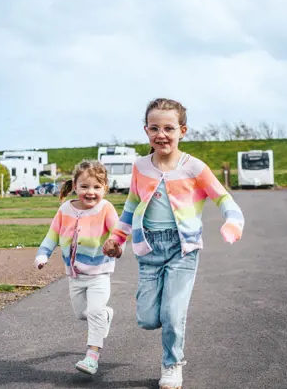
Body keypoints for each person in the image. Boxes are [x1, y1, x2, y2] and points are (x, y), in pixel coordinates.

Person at [103, 98, 244, 389]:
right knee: (147, 319)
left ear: (183, 130)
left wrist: (233, 221)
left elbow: (223, 198)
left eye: (169, 128)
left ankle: (172, 363)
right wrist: (117, 238)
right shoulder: (140, 167)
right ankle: (162, 316)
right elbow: (131, 205)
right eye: (154, 128)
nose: (161, 134)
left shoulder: (194, 167)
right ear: (146, 130)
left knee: (172, 313)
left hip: (183, 249)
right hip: (149, 249)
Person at [35, 159, 122, 375]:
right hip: (75, 275)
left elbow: (118, 233)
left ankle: (92, 356)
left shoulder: (106, 208)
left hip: (99, 273)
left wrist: (116, 247)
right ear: (75, 186)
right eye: (84, 186)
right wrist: (43, 254)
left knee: (94, 312)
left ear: (105, 188)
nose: (90, 192)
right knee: (82, 314)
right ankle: (106, 315)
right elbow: (52, 235)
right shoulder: (65, 209)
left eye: (96, 187)